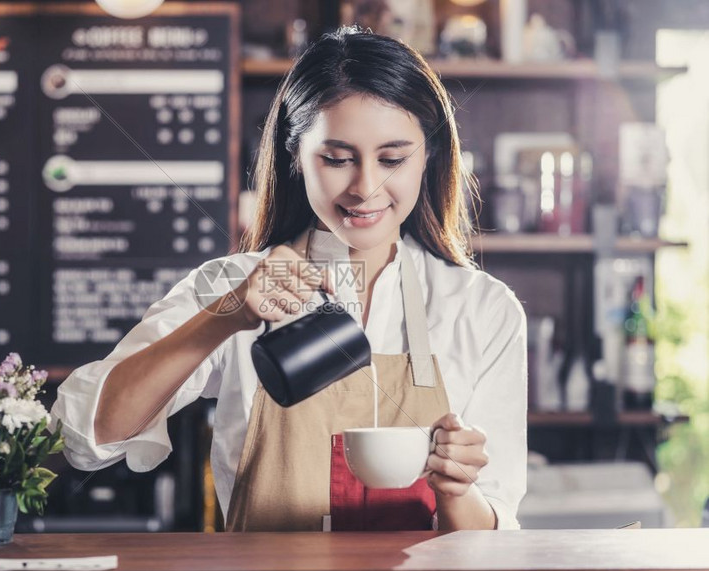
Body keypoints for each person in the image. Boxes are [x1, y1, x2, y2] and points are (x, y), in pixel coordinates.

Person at [52, 26, 527, 532]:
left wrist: (456, 489)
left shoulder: (483, 309)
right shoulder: (232, 285)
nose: (366, 187)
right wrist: (222, 318)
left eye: (392, 159)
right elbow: (82, 438)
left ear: (429, 157)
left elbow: (487, 535)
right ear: (295, 156)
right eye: (337, 158)